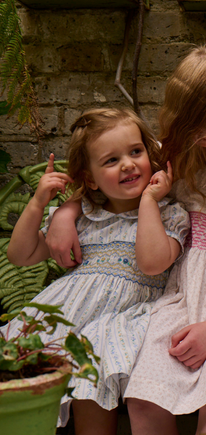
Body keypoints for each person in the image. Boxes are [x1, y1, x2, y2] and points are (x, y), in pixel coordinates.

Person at [47, 45, 206, 435]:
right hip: (180, 305)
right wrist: (67, 212)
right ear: (201, 135)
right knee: (145, 398)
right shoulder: (178, 168)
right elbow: (112, 186)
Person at [2, 108, 187, 435]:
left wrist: (149, 200)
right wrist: (38, 204)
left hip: (125, 321)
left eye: (136, 151)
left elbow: (153, 263)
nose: (128, 164)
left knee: (92, 366)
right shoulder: (84, 217)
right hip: (69, 316)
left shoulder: (169, 213)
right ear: (90, 179)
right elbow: (21, 255)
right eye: (111, 160)